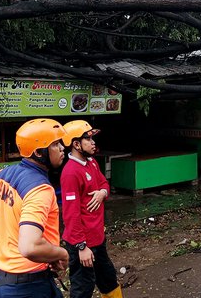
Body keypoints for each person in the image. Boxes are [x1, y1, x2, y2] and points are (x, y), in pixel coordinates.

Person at [0, 118, 69, 297]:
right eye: (56, 144)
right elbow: (29, 247)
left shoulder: (3, 175)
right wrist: (62, 253)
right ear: (39, 153)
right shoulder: (40, 189)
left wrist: (17, 235)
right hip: (29, 287)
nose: (62, 148)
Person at [60, 120, 123, 298]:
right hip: (82, 244)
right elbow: (71, 215)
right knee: (82, 289)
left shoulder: (92, 162)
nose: (93, 142)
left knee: (109, 280)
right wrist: (81, 247)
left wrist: (103, 192)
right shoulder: (71, 173)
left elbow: (104, 182)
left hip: (98, 239)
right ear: (76, 144)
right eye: (88, 139)